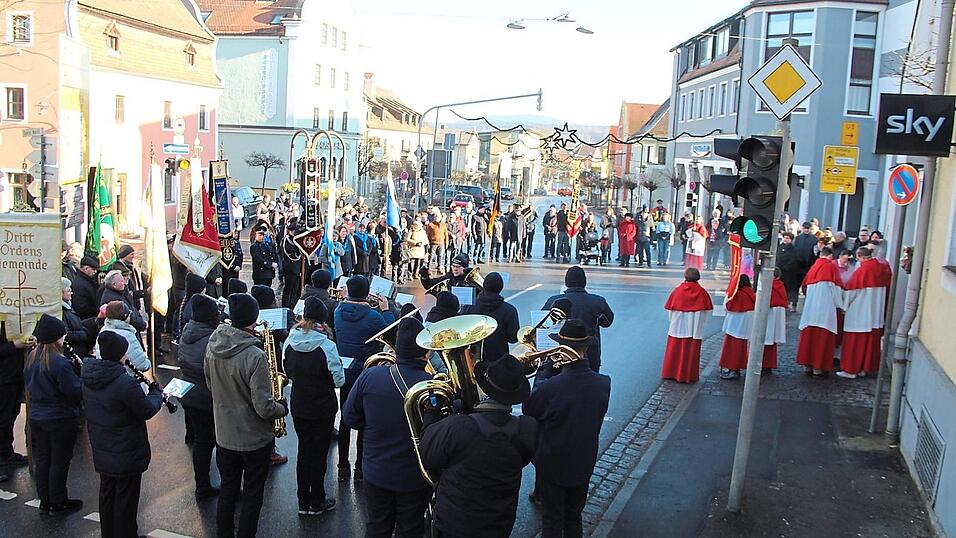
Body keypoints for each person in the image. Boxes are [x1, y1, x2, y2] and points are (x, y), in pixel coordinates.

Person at [419, 354, 538, 537]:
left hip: (454, 524)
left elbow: (427, 454)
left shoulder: (459, 427)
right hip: (499, 524)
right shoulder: (527, 428)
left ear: (484, 390)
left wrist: (431, 413)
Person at [205, 293, 289, 537]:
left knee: (228, 489)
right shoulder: (255, 356)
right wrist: (281, 408)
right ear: (253, 320)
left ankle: (224, 533)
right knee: (252, 496)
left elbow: (210, 383)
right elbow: (264, 407)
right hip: (253, 440)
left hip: (224, 434)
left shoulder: (213, 342)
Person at [343, 317, 434, 537]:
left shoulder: (370, 375)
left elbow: (350, 417)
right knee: (410, 528)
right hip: (414, 475)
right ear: (425, 351)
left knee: (377, 526)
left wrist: (374, 425)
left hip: (376, 471)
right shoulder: (433, 387)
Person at [523, 320, 610, 538]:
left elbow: (530, 409)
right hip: (583, 459)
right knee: (573, 517)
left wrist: (544, 372)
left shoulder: (551, 387)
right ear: (586, 348)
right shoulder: (603, 382)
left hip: (552, 462)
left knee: (552, 520)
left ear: (561, 347)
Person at [83, 331, 164, 537]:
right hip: (126, 450)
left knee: (108, 494)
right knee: (126, 500)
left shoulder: (89, 375)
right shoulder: (123, 382)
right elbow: (145, 409)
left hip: (103, 448)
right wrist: (156, 393)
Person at [284, 298, 344, 516]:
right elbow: (338, 380)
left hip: (299, 403)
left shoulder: (290, 340)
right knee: (319, 453)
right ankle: (317, 500)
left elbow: (287, 369)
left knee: (304, 451)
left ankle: (303, 501)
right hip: (322, 406)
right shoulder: (327, 346)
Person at [334, 275, 396, 482]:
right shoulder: (373, 317)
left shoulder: (337, 311)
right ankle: (360, 468)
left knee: (345, 417)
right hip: (366, 373)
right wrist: (386, 309)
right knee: (364, 420)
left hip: (346, 372)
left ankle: (342, 466)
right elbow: (390, 330)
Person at [24, 315, 83, 513]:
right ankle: (59, 500)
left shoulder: (32, 358)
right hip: (59, 417)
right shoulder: (60, 363)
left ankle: (45, 500)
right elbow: (73, 391)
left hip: (38, 416)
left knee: (43, 459)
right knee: (59, 460)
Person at [177, 294, 221, 499]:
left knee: (202, 442)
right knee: (219, 442)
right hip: (207, 395)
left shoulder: (189, 331)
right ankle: (225, 485)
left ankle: (201, 484)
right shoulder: (213, 339)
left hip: (190, 393)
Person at [542, 266, 614, 372]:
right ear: (584, 282)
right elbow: (608, 322)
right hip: (589, 356)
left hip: (559, 355)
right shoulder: (598, 301)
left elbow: (542, 328)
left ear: (566, 282)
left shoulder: (552, 301)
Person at [837, 247, 886, 379]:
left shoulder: (863, 270)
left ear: (860, 256)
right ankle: (864, 368)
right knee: (870, 341)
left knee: (854, 342)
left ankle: (851, 369)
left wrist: (843, 306)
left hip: (860, 311)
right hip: (876, 312)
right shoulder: (882, 268)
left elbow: (851, 291)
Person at [796, 248, 845, 376]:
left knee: (809, 338)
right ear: (830, 256)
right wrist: (842, 305)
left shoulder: (813, 268)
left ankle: (808, 366)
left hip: (810, 309)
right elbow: (836, 290)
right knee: (823, 339)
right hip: (826, 309)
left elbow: (805, 287)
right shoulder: (830, 267)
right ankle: (818, 368)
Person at [661, 268, 713, 383]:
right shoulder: (702, 292)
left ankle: (671, 373)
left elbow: (670, 310)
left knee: (675, 350)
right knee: (690, 353)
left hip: (678, 327)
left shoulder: (678, 291)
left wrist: (674, 322)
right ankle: (688, 375)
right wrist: (699, 324)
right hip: (694, 329)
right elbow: (707, 312)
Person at [460, 272, 519, 362]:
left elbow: (461, 332)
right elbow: (513, 339)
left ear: (484, 285)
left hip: (472, 360)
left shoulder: (469, 306)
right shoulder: (509, 310)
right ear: (501, 288)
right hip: (498, 360)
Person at [718, 275, 755, 380]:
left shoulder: (737, 294)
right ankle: (736, 368)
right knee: (741, 346)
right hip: (745, 322)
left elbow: (727, 306)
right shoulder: (750, 292)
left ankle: (733, 369)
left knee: (733, 347)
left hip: (736, 324)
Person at [762, 269, 789, 374]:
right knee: (772, 341)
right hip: (778, 314)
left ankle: (763, 364)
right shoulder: (781, 285)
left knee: (764, 339)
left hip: (769, 313)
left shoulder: (768, 285)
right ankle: (768, 365)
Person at [61, 277, 93, 358]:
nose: (71, 293)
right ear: (60, 293)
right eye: (68, 291)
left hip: (77, 351)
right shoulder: (61, 311)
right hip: (71, 354)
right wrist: (83, 334)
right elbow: (65, 335)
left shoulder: (69, 307)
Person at [279, 223, 305, 309]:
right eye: (293, 231)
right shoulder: (286, 240)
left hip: (297, 268)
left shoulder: (296, 240)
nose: (295, 232)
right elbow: (289, 252)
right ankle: (286, 306)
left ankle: (293, 305)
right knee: (288, 289)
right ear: (290, 231)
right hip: (289, 268)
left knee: (295, 288)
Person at [72, 256, 102, 320]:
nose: (95, 272)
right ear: (86, 268)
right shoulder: (80, 284)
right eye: (93, 269)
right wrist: (97, 310)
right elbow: (81, 307)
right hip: (87, 319)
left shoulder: (87, 281)